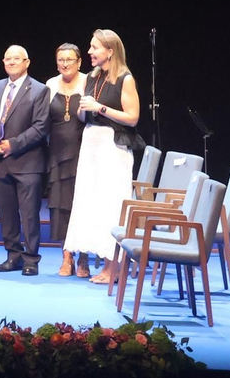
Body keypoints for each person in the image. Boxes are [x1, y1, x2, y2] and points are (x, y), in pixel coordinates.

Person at [65, 29, 141, 285]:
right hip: (92, 144)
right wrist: (83, 110)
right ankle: (100, 257)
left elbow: (132, 118)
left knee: (111, 205)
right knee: (91, 202)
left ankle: (114, 266)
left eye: (94, 47)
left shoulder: (124, 78)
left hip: (113, 147)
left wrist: (100, 108)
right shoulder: (93, 77)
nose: (89, 52)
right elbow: (85, 113)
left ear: (109, 51)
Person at [0, 46, 51, 276]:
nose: (11, 62)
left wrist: (13, 144)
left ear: (27, 62)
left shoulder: (40, 90)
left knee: (30, 214)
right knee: (7, 214)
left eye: (16, 59)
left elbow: (41, 126)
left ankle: (31, 258)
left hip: (27, 161)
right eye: (7, 58)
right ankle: (13, 256)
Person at [46, 43, 88, 275]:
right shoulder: (51, 84)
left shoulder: (89, 81)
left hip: (85, 151)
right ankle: (67, 257)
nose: (65, 64)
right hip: (57, 153)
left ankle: (83, 258)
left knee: (82, 203)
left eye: (70, 60)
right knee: (61, 205)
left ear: (79, 62)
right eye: (61, 59)